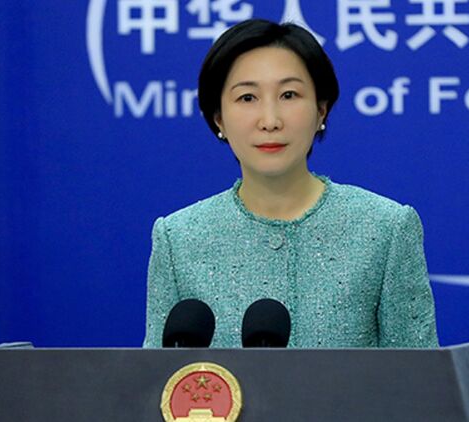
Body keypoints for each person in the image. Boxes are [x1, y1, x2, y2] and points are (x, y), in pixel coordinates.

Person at [142, 19, 438, 348]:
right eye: (247, 97)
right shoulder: (178, 239)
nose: (270, 121)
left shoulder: (386, 228)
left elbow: (419, 374)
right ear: (218, 118)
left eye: (289, 94)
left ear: (321, 110)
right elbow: (158, 374)